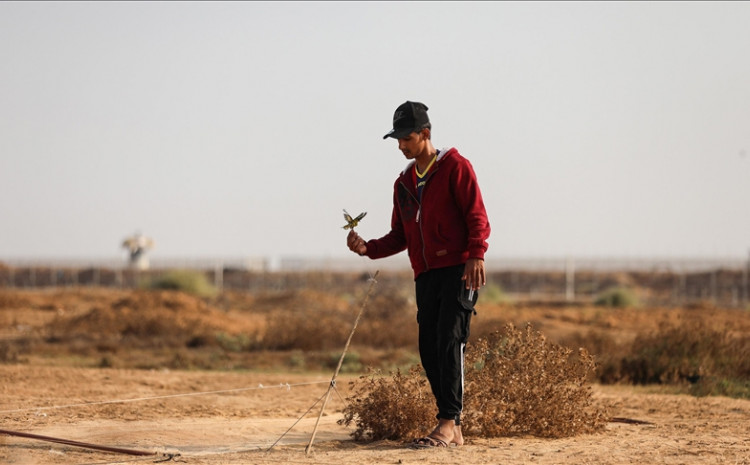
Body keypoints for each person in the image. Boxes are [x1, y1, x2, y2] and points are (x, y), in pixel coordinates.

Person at [346, 101, 490, 448]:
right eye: (397, 139)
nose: (401, 145)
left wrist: (476, 255)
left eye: (406, 138)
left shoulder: (456, 167)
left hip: (458, 270)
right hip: (425, 273)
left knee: (449, 342)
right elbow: (401, 235)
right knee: (428, 347)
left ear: (425, 133)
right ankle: (452, 429)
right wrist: (369, 248)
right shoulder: (404, 183)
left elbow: (477, 216)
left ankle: (448, 422)